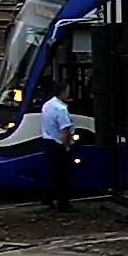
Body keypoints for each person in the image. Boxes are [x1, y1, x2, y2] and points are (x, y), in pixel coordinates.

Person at [39, 81, 75, 212]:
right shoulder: (61, 109)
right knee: (62, 176)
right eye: (67, 91)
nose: (68, 94)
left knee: (54, 173)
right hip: (58, 145)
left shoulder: (47, 105)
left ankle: (48, 197)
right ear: (62, 92)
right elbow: (64, 131)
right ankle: (63, 203)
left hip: (47, 142)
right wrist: (67, 146)